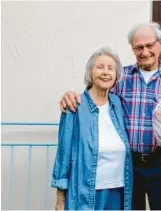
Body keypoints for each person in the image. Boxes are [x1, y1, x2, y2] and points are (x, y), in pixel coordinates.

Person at [59, 22, 161, 210]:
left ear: (160, 44)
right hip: (129, 165)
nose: (145, 51)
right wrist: (72, 95)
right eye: (139, 47)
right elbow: (97, 96)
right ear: (133, 49)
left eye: (150, 45)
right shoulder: (121, 77)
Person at [51, 47, 133, 210]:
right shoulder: (75, 105)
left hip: (118, 189)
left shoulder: (117, 103)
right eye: (100, 67)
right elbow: (63, 152)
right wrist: (60, 198)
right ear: (90, 72)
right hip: (86, 192)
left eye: (111, 68)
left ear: (116, 76)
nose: (105, 72)